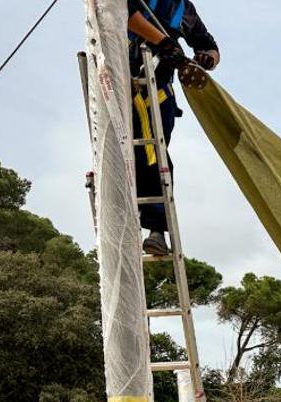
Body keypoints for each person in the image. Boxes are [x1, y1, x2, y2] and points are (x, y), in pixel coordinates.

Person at [125, 1, 220, 255]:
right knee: (133, 155)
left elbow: (208, 44)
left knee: (155, 155)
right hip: (123, 81)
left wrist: (207, 58)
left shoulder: (183, 9)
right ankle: (131, 224)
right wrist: (164, 43)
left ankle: (156, 230)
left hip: (158, 89)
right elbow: (124, 12)